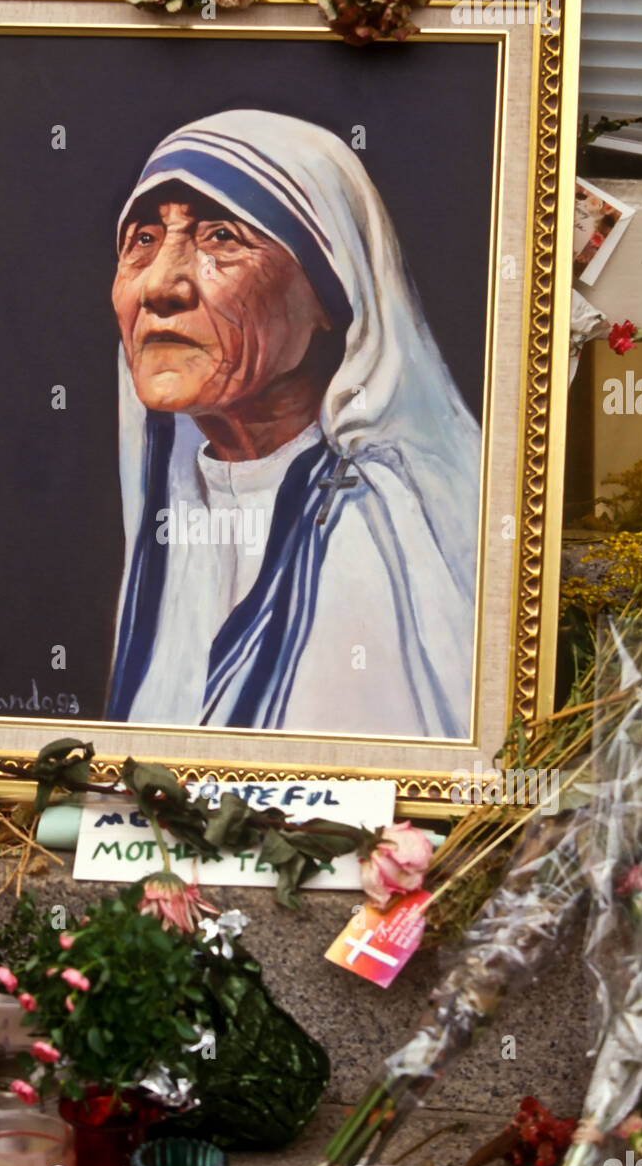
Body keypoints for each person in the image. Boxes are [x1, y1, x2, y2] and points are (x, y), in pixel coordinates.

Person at [106, 110, 479, 738]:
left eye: (221, 236)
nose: (160, 286)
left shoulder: (370, 537)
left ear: (331, 296)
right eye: (142, 240)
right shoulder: (179, 512)